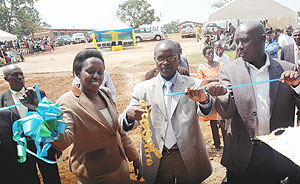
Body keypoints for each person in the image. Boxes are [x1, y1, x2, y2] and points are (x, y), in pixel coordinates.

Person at [205, 21, 300, 184]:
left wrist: (297, 86)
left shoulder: (287, 69)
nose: (239, 46)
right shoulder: (228, 70)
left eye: (245, 41)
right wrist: (221, 95)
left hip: (276, 154)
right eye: (237, 42)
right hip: (242, 155)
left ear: (262, 40)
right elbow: (227, 112)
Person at [119, 40, 213, 184]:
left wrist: (203, 100)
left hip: (188, 157)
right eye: (161, 58)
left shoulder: (194, 85)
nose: (166, 62)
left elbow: (207, 112)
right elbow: (126, 124)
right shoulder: (142, 89)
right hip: (157, 160)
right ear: (154, 60)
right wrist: (129, 116)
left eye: (171, 57)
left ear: (179, 57)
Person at [52, 49, 140, 184]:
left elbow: (118, 130)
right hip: (93, 174)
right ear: (77, 73)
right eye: (90, 71)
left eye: (100, 72)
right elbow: (63, 141)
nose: (97, 76)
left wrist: (134, 157)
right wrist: (48, 122)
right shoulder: (67, 101)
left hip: (120, 168)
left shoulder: (105, 93)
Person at [0, 64, 61, 184]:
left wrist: (55, 145)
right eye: (14, 75)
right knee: (28, 177)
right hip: (20, 147)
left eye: (21, 74)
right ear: (6, 79)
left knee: (51, 176)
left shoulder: (38, 93)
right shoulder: (2, 99)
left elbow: (50, 118)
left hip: (42, 144)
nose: (20, 77)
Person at [197, 46, 226, 150]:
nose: (211, 55)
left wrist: (210, 81)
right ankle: (217, 143)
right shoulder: (201, 67)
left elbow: (223, 79)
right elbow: (201, 81)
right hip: (210, 97)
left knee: (223, 119)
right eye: (208, 53)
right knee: (213, 121)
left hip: (220, 96)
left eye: (212, 53)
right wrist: (214, 81)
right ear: (204, 55)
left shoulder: (220, 65)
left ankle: (226, 143)